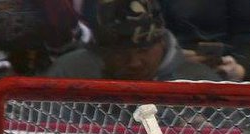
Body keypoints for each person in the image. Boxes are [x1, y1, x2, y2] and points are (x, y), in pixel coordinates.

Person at [44, 0, 218, 81]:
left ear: (162, 44)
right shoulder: (69, 74)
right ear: (102, 51)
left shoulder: (199, 82)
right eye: (122, 53)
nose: (134, 63)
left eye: (143, 50)